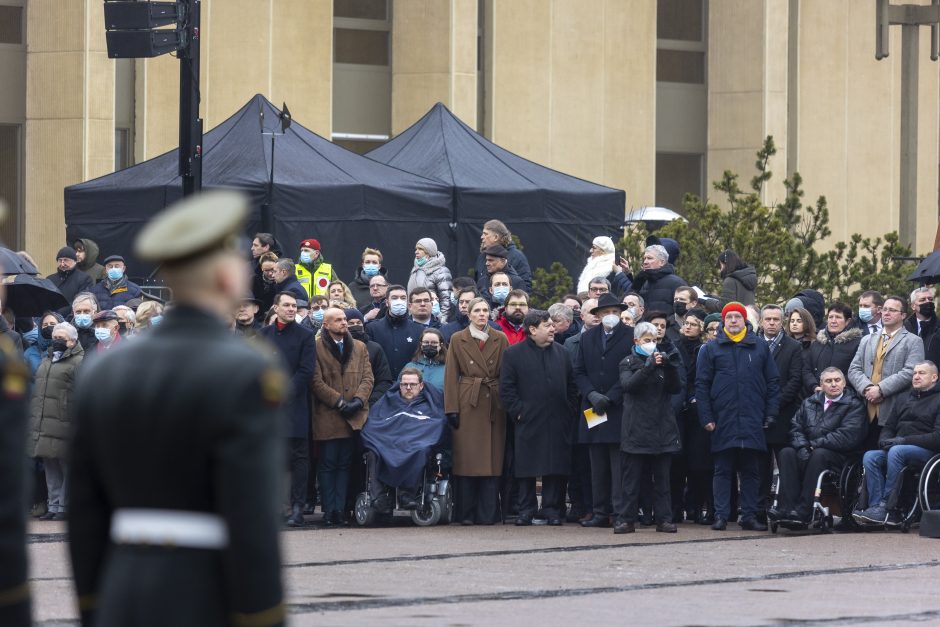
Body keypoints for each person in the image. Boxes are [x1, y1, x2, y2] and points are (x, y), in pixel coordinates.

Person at [68, 190, 288, 627]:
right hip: (205, 594)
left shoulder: (105, 370)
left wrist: (95, 606)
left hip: (121, 590)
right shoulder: (246, 372)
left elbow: (84, 513)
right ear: (227, 278)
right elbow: (252, 521)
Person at [696, 301, 780, 532]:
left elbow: (773, 382)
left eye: (738, 317)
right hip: (722, 419)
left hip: (753, 419)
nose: (733, 320)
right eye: (729, 317)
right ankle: (721, 515)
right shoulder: (711, 349)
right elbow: (701, 386)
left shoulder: (760, 347)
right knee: (722, 470)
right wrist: (706, 417)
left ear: (745, 321)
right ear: (724, 321)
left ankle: (749, 515)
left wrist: (771, 412)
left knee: (751, 471)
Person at [500, 310, 579, 526]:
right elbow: (507, 388)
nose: (553, 328)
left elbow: (572, 386)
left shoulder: (563, 353)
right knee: (526, 466)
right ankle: (526, 510)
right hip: (527, 419)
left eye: (553, 324)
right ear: (533, 329)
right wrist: (518, 411)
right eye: (547, 325)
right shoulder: (513, 354)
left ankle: (552, 509)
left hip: (558, 419)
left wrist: (569, 410)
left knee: (555, 466)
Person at [772, 367, 866, 525]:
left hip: (837, 455)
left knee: (819, 454)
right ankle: (786, 509)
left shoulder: (854, 405)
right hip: (809, 450)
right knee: (787, 452)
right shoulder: (809, 402)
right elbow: (795, 427)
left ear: (844, 383)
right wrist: (802, 447)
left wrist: (813, 446)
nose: (833, 384)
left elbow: (847, 436)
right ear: (821, 385)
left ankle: (804, 510)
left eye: (837, 380)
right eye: (828, 381)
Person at [444, 297, 509, 525]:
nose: (482, 314)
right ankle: (466, 514)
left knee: (492, 459)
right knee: (466, 458)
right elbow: (451, 374)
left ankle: (488, 514)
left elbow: (506, 374)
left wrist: (506, 401)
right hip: (468, 401)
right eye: (477, 311)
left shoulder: (500, 338)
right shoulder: (457, 338)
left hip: (493, 401)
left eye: (485, 310)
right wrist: (451, 408)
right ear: (469, 314)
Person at [572, 293, 634, 528]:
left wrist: (611, 396)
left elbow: (632, 369)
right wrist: (591, 394)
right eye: (606, 313)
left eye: (615, 313)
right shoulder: (587, 338)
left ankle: (620, 513)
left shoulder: (630, 337)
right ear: (597, 315)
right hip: (593, 409)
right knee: (596, 464)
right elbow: (578, 371)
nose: (610, 317)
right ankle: (599, 511)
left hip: (618, 408)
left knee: (618, 466)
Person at [854, 360, 940, 526]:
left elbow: (937, 437)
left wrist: (903, 441)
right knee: (871, 456)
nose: (916, 376)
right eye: (914, 373)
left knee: (897, 451)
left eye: (922, 373)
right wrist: (884, 441)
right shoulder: (902, 399)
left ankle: (890, 507)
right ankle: (875, 507)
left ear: (934, 377)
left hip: (928, 451)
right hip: (899, 447)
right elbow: (889, 426)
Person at [616, 321, 683, 534]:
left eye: (655, 341)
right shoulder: (627, 362)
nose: (652, 345)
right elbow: (629, 386)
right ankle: (626, 519)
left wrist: (670, 367)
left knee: (662, 480)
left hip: (662, 428)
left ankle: (664, 519)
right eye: (647, 340)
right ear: (636, 341)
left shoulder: (662, 362)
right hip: (636, 429)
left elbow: (675, 388)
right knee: (631, 480)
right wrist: (648, 366)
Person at [258, 292, 317, 528]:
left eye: (295, 306)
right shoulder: (263, 335)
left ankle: (297, 508)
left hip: (295, 407)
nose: (292, 309)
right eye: (287, 305)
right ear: (276, 308)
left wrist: (284, 392)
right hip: (268, 408)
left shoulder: (305, 335)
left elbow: (306, 370)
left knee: (299, 459)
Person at [311, 307, 373, 527]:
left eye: (344, 319)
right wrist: (338, 401)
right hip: (328, 415)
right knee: (328, 464)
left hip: (353, 416)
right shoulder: (316, 347)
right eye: (337, 320)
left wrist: (358, 401)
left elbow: (368, 378)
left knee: (345, 464)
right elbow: (316, 381)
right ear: (325, 325)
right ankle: (329, 510)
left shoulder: (359, 347)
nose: (344, 323)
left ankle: (341, 509)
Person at [360, 368, 447, 510]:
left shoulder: (431, 406)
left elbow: (436, 427)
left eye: (412, 385)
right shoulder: (388, 403)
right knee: (373, 451)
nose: (408, 388)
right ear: (399, 385)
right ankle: (379, 497)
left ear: (421, 385)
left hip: (416, 446)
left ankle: (407, 494)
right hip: (388, 445)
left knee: (422, 451)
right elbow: (374, 425)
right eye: (404, 384)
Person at [848, 295, 924, 449]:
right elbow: (853, 369)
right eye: (884, 309)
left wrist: (881, 389)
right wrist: (867, 388)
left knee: (883, 455)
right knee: (862, 454)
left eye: (892, 310)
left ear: (903, 315)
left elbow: (911, 372)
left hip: (893, 409)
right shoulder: (866, 340)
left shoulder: (913, 341)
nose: (886, 313)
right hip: (864, 408)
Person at [27, 321, 84, 521]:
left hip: (65, 421)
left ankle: (64, 507)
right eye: (55, 338)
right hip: (45, 421)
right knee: (50, 466)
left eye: (62, 339)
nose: (57, 341)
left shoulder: (79, 361)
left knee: (66, 466)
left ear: (72, 341)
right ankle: (53, 505)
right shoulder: (47, 359)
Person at [758, 304, 806, 520]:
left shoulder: (793, 346)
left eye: (776, 320)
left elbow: (795, 380)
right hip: (757, 413)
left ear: (782, 322)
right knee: (758, 467)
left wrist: (774, 405)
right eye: (767, 319)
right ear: (760, 321)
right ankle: (758, 510)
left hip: (783, 413)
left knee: (785, 463)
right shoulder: (754, 344)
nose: (771, 323)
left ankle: (787, 507)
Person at [675, 310, 713, 524]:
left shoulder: (704, 349)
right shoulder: (675, 346)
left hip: (698, 410)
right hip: (680, 410)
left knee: (699, 463)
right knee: (678, 462)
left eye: (693, 324)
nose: (687, 327)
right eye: (686, 323)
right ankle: (677, 507)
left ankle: (696, 506)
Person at [802, 302, 862, 397]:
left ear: (847, 321)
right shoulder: (818, 342)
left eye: (838, 317)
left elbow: (857, 371)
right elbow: (806, 369)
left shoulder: (858, 343)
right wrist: (814, 386)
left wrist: (833, 387)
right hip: (816, 396)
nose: (833, 321)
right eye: (830, 317)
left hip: (845, 398)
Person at [366, 284, 425, 378]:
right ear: (386, 302)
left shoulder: (419, 329)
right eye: (394, 298)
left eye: (403, 298)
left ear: (407, 302)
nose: (399, 301)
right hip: (381, 384)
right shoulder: (372, 328)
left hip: (410, 384)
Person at [475, 219, 532, 291]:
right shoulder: (482, 257)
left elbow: (525, 288)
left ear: (496, 237)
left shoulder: (517, 257)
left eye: (485, 234)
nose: (482, 237)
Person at [631, 244, 687, 314]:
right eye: (644, 258)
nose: (645, 262)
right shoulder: (643, 282)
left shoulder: (677, 283)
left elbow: (683, 312)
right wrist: (635, 286)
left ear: (662, 262)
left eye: (649, 258)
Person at [407, 237, 453, 321]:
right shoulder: (415, 269)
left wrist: (442, 320)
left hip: (433, 321)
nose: (416, 251)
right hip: (414, 319)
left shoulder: (441, 271)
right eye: (416, 249)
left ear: (429, 251)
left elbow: (446, 299)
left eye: (420, 249)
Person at [47, 246, 93, 311]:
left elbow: (81, 301)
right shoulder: (50, 279)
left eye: (66, 260)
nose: (62, 264)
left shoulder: (84, 279)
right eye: (60, 260)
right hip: (51, 318)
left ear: (75, 261)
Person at [402, 328, 446, 392]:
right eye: (426, 342)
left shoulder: (448, 368)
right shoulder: (409, 367)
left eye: (434, 343)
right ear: (421, 345)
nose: (429, 345)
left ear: (440, 345)